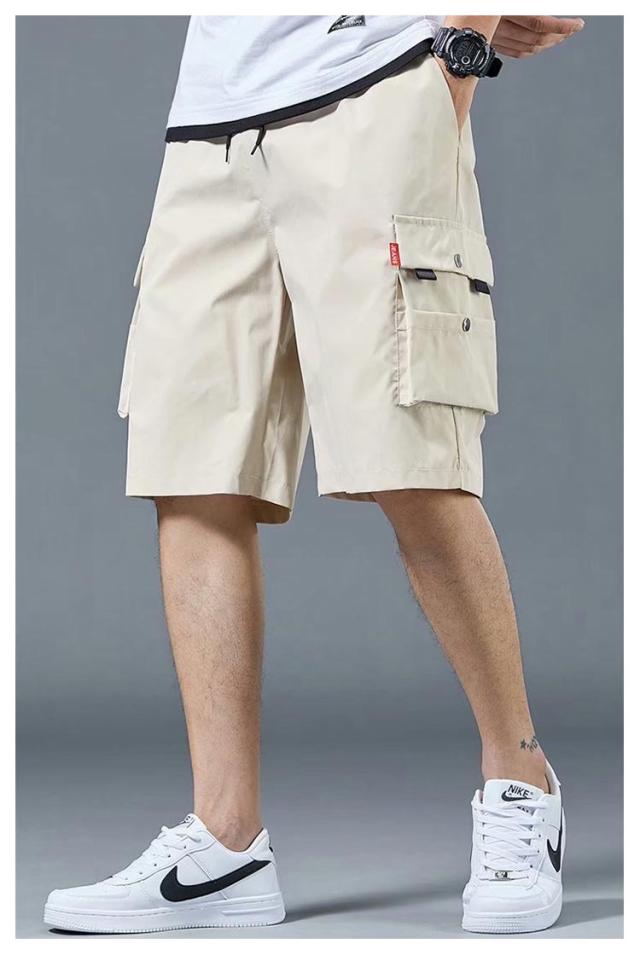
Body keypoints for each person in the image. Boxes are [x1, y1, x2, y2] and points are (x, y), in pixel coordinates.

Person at [44, 14, 584, 936]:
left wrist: (460, 46)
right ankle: (226, 843)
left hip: (373, 79)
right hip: (212, 118)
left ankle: (519, 776)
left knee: (409, 456)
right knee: (193, 471)